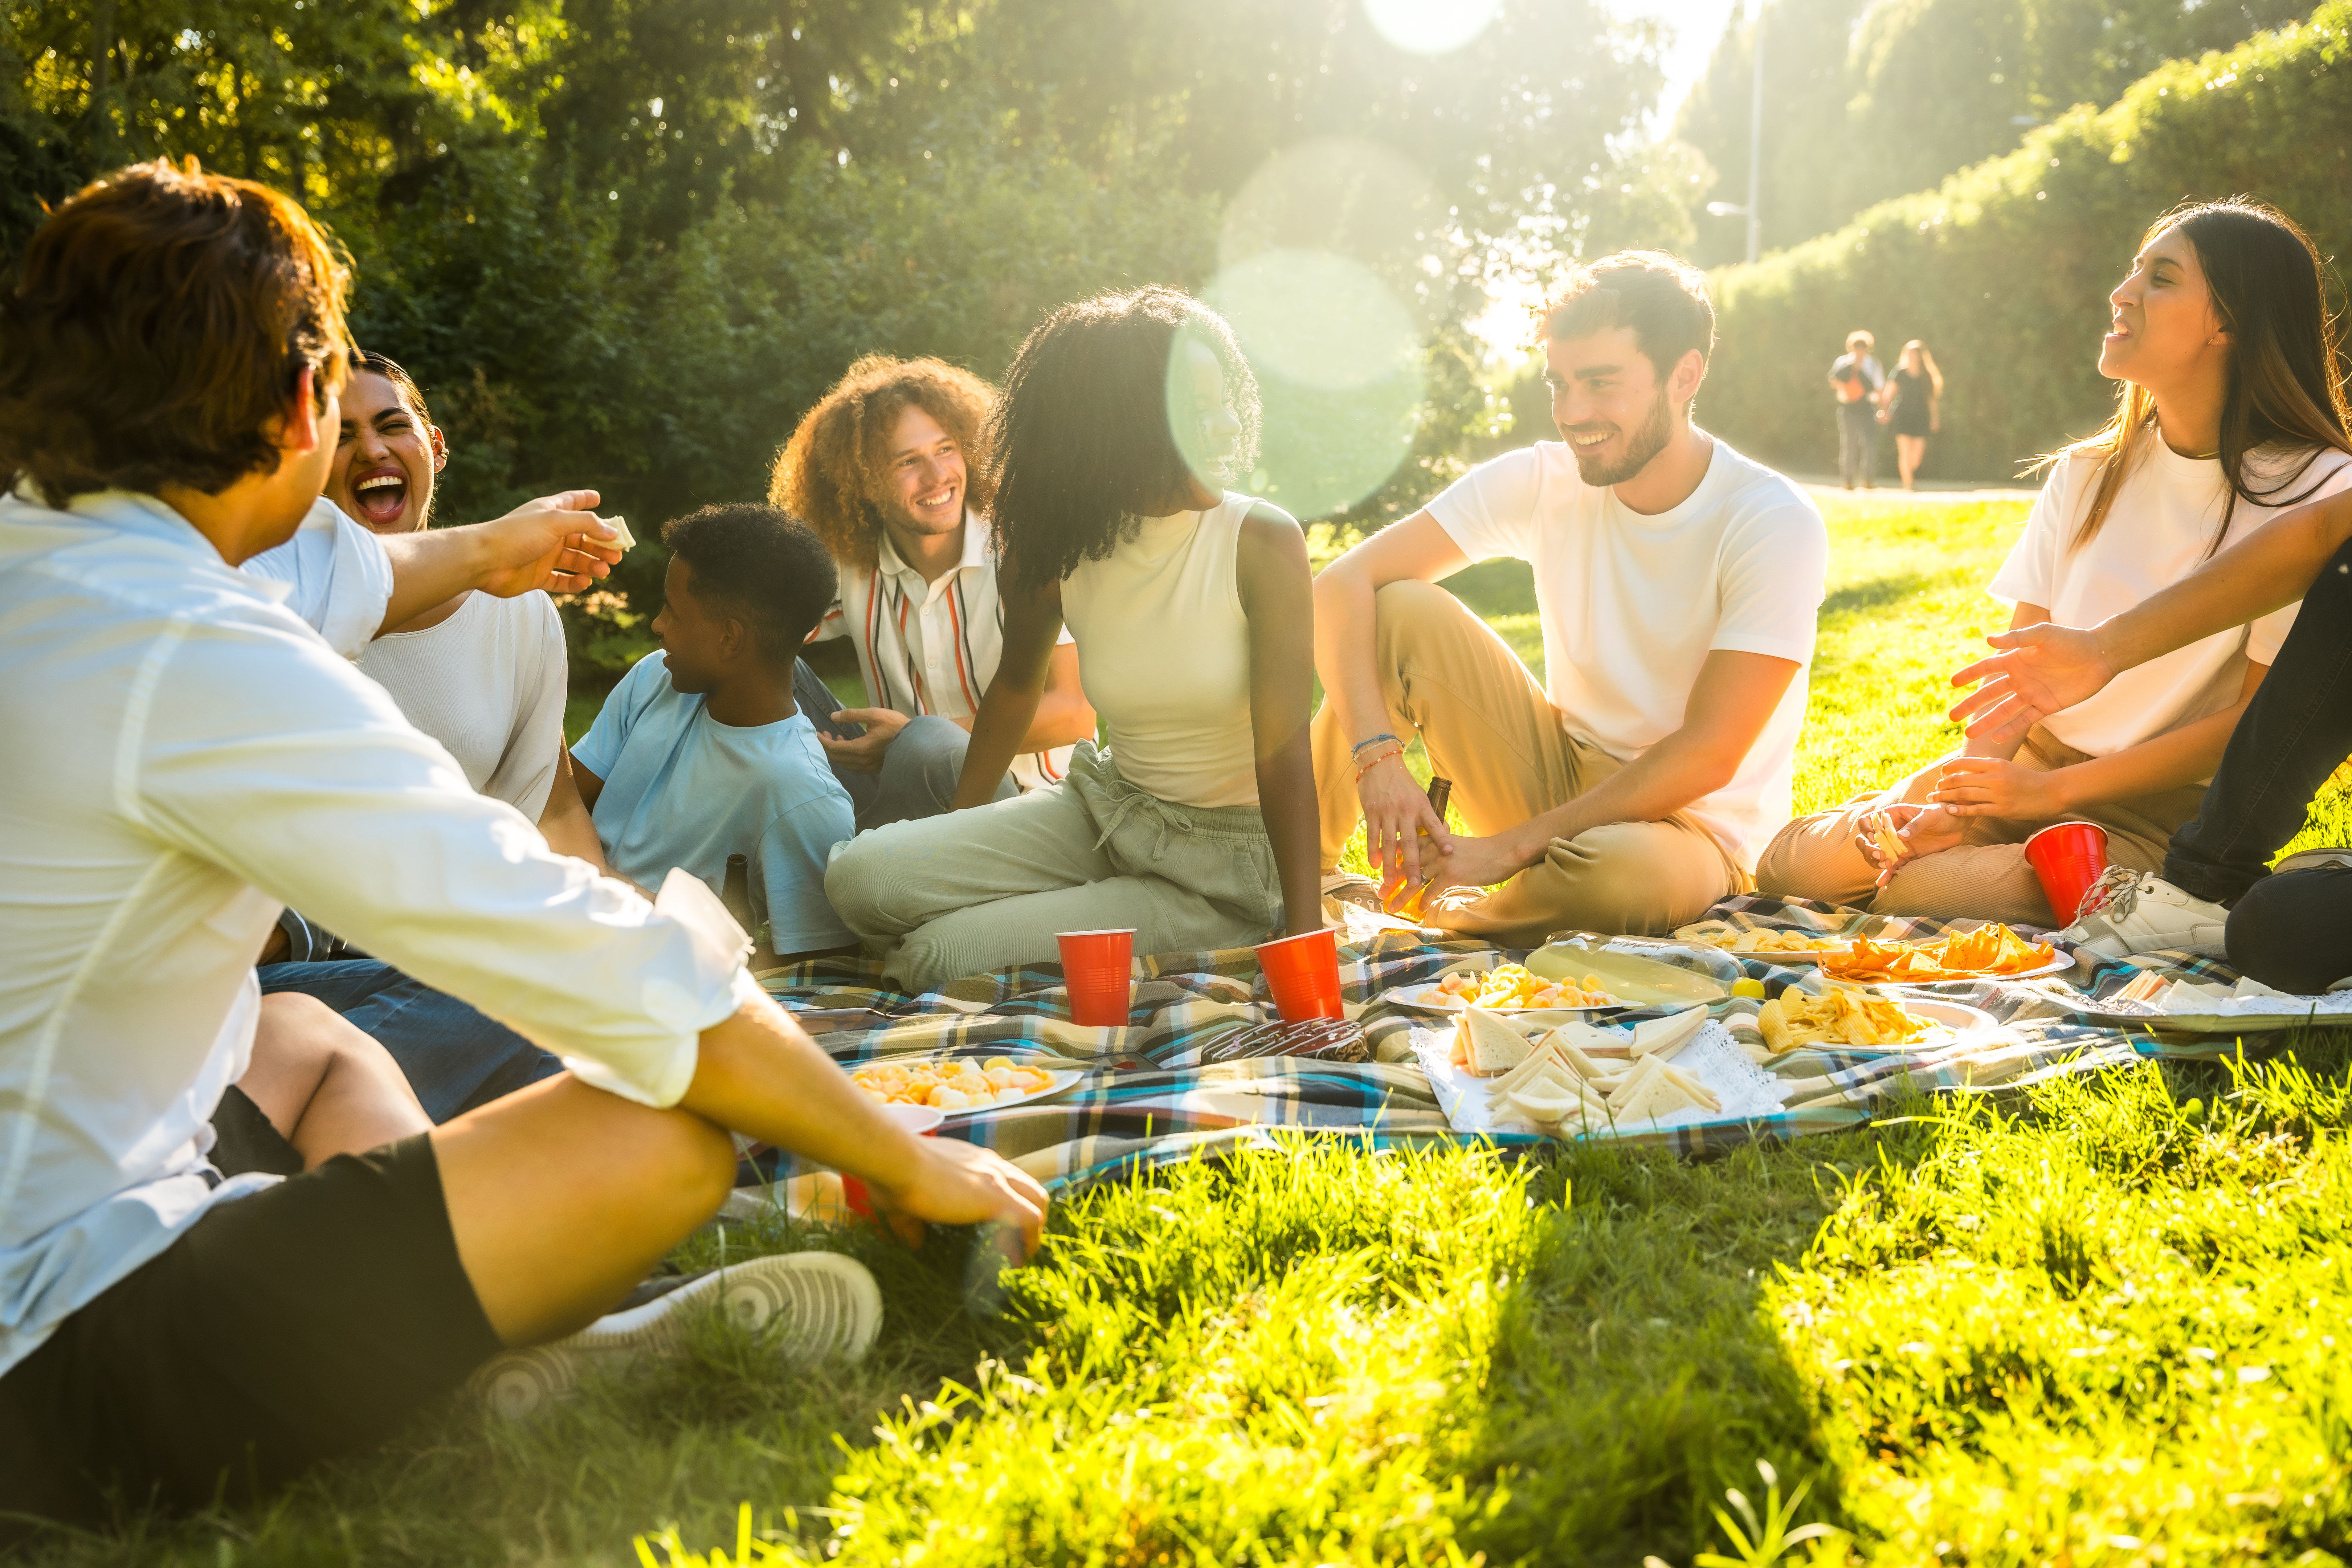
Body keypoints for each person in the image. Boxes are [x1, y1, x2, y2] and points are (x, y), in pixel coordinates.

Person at [0, 158, 1045, 1527]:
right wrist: (902, 1150)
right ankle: (494, 1357)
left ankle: (511, 1348)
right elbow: (579, 947)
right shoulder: (191, 643)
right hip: (51, 1350)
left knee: (309, 1039)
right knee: (665, 1132)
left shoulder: (59, 558)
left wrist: (503, 545)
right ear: (302, 401)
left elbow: (371, 571)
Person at [1758, 199, 2352, 926]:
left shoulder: (2316, 492)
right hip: (2027, 769)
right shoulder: (2087, 472)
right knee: (1791, 864)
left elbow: (2251, 723)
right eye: (2134, 269)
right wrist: (1970, 786)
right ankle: (1934, 854)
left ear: (2228, 322)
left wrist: (2051, 800)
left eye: (2161, 278)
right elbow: (2024, 675)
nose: (2123, 292)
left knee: (1921, 892)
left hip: (2151, 810)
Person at [1312, 250, 1829, 944]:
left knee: (1619, 880)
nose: (1572, 412)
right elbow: (1340, 585)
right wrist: (1377, 759)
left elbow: (1710, 750)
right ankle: (1286, 886)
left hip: (1691, 831)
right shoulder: (1542, 480)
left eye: (1601, 382)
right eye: (1559, 384)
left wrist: (1511, 846)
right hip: (1559, 769)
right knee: (1396, 610)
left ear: (1685, 375)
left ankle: (1446, 919)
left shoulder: (1770, 520)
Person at [824, 287, 1322, 994]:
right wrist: (963, 835)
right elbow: (1018, 686)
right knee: (857, 879)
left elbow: (1285, 756)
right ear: (1115, 431)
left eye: (1222, 404)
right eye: (1192, 411)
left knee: (931, 962)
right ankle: (1056, 911)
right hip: (1105, 807)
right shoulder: (1052, 547)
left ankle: (1167, 922)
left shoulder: (1261, 542)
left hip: (1221, 868)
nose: (1222, 428)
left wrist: (1305, 941)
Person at [259, 352, 585, 1122]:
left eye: (390, 425)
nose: (371, 450)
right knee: (519, 1002)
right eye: (340, 435)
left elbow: (554, 809)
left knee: (564, 1032)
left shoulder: (520, 612)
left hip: (452, 952)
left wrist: (608, 930)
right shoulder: (280, 608)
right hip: (298, 963)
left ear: (434, 448)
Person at [1952, 484, 2352, 987]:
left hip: (2145, 818)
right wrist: (2103, 650)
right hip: (2044, 777)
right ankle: (2206, 885)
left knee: (2275, 932)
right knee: (2279, 923)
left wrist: (2054, 790)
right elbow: (2321, 533)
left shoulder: (2311, 475)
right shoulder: (2086, 472)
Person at [771, 355, 1096, 828]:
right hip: (902, 791)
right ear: (862, 481)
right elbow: (748, 628)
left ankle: (858, 849)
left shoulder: (1025, 552)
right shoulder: (851, 567)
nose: (937, 476)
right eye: (908, 462)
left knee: (925, 743)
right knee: (743, 657)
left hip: (1029, 806)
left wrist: (909, 739)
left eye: (946, 449)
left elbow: (1074, 715)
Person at [571, 504, 861, 967]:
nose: (657, 625)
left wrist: (635, 909)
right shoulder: (656, 679)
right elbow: (560, 799)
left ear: (729, 639)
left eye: (673, 611)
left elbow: (818, 959)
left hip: (644, 965)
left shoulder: (799, 794)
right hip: (559, 904)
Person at [1881, 339, 1943, 491]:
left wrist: (1935, 418)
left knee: (1916, 457)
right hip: (1902, 415)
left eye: (1915, 354)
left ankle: (1908, 474)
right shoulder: (1900, 372)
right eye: (1910, 354)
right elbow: (1889, 393)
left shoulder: (1927, 375)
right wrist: (1884, 410)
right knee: (1905, 451)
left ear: (1921, 356)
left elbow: (1932, 400)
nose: (1912, 357)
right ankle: (1908, 483)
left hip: (1921, 416)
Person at [1829, 329, 1885, 490]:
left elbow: (1879, 388)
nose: (1860, 350)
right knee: (1849, 443)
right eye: (1857, 346)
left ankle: (1868, 479)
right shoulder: (1842, 362)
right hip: (1848, 406)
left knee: (1869, 443)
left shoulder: (1873, 364)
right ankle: (1848, 480)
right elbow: (1834, 382)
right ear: (1851, 347)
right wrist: (1850, 371)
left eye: (1863, 346)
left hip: (1867, 406)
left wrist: (1881, 408)